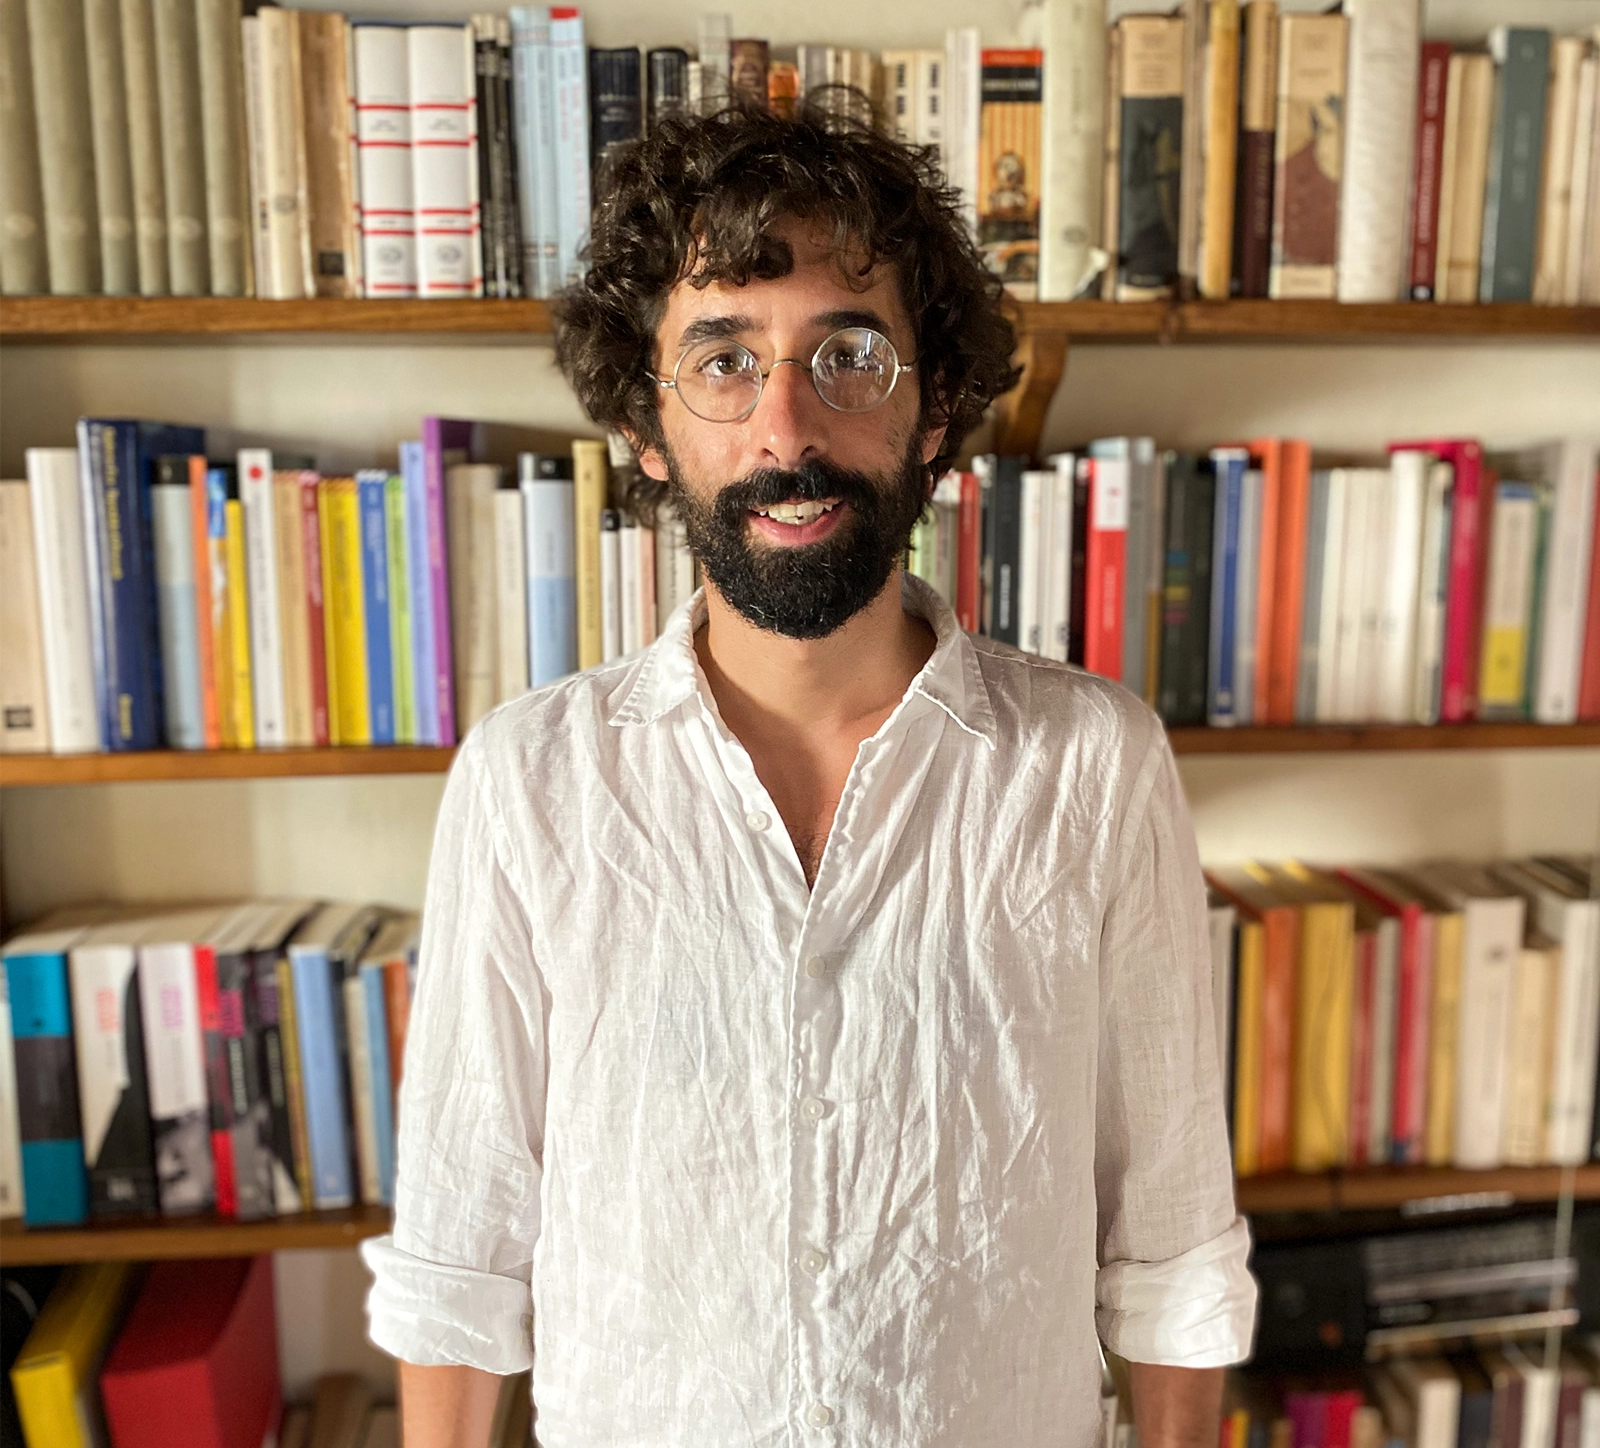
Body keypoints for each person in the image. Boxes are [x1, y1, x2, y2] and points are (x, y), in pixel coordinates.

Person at [363, 99, 1257, 1448]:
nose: (785, 425)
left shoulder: (1096, 763)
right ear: (647, 427)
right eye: (721, 358)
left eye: (849, 351)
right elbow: (457, 1261)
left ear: (936, 405)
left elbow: (1177, 1244)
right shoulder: (527, 782)